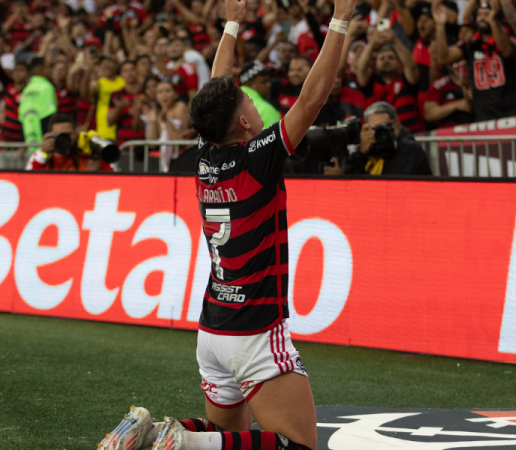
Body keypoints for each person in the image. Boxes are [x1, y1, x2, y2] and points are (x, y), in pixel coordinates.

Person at [98, 0, 357, 448]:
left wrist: (232, 24)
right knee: (298, 445)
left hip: (213, 328)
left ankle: (155, 433)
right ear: (243, 121)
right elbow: (313, 98)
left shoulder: (205, 155)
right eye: (251, 102)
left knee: (229, 439)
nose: (257, 108)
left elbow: (217, 88)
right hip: (255, 328)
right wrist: (340, 19)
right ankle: (180, 442)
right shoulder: (259, 156)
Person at [434, 0, 516, 122]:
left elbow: (508, 51)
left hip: (512, 115)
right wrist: (439, 26)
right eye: (480, 14)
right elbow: (444, 57)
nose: (482, 17)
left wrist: (493, 21)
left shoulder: (510, 39)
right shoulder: (471, 45)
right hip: (484, 119)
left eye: (487, 14)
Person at [324, 101, 433, 175]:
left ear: (398, 127)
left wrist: (345, 180)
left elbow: (388, 188)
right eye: (373, 128)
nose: (378, 134)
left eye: (383, 128)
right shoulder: (368, 148)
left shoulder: (410, 151)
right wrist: (361, 153)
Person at [355, 27, 424, 132]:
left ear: (398, 63)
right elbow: (361, 68)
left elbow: (411, 66)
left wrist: (395, 41)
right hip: (377, 137)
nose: (386, 60)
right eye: (382, 58)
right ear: (375, 64)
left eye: (391, 58)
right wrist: (372, 43)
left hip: (409, 136)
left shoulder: (406, 79)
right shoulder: (370, 82)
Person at [25, 113, 113, 171]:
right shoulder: (41, 156)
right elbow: (28, 182)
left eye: (68, 134)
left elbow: (116, 177)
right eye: (60, 135)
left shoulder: (88, 155)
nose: (64, 139)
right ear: (50, 135)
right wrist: (43, 156)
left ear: (76, 134)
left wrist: (97, 172)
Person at [144, 80, 190, 172]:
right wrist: (152, 122)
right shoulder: (157, 113)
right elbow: (152, 144)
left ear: (175, 94)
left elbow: (180, 141)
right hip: (165, 158)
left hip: (182, 157)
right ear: (156, 97)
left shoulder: (180, 108)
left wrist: (166, 122)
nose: (164, 95)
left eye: (168, 91)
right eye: (160, 92)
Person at [18, 56, 58, 152]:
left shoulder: (27, 89)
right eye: (48, 67)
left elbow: (22, 118)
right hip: (44, 145)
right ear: (41, 70)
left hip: (29, 144)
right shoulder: (47, 87)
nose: (50, 70)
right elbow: (48, 116)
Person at [239, 60, 282, 128]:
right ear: (250, 84)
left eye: (269, 80)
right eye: (264, 81)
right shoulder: (267, 111)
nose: (269, 85)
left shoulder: (229, 101)